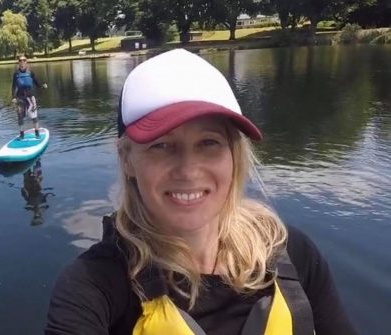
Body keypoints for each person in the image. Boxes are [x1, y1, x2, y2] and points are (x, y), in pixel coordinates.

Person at [44, 49, 357, 335]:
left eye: (209, 143)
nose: (189, 170)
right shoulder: (94, 287)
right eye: (161, 146)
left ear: (234, 154)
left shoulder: (292, 254)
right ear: (127, 160)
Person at [12, 55, 47, 139]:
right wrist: (13, 97)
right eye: (20, 60)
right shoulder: (16, 74)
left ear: (26, 62)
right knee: (20, 117)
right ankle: (21, 135)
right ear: (18, 62)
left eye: (24, 60)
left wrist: (42, 86)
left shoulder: (31, 73)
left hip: (30, 98)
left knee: (34, 117)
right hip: (20, 98)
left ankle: (37, 133)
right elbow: (13, 86)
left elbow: (37, 83)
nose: (22, 62)